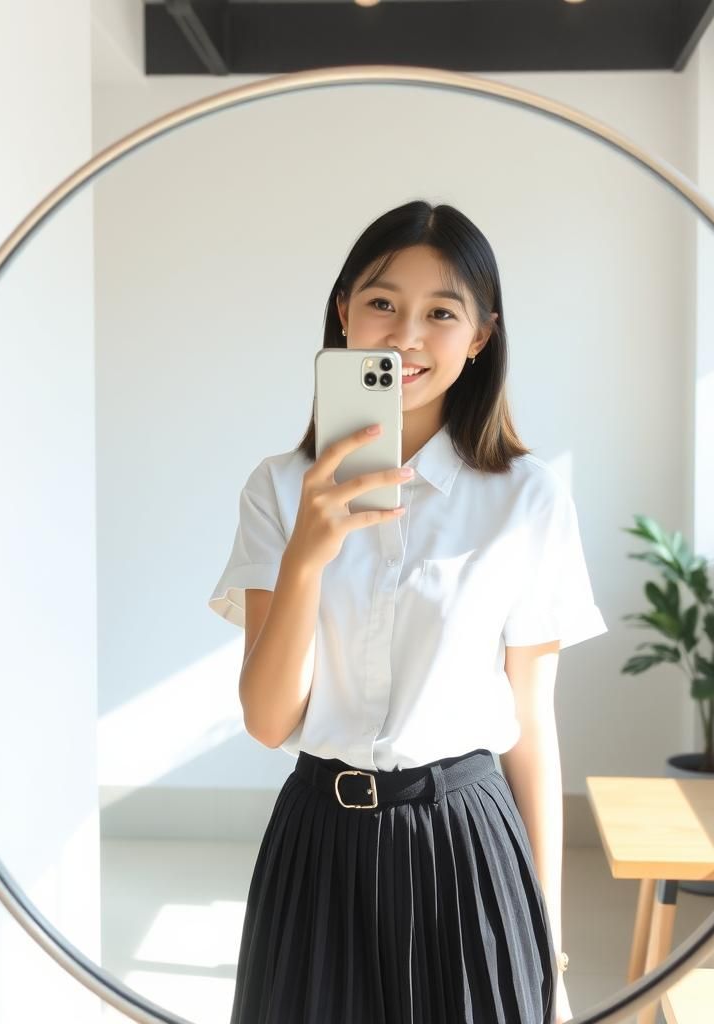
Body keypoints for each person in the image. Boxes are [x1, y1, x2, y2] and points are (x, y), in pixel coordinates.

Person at [207, 200, 608, 1024]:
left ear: (482, 336)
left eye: (442, 313)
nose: (406, 336)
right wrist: (307, 553)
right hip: (317, 847)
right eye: (383, 302)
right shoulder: (279, 489)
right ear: (343, 312)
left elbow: (531, 728)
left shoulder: (527, 497)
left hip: (467, 842)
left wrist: (552, 952)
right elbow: (268, 719)